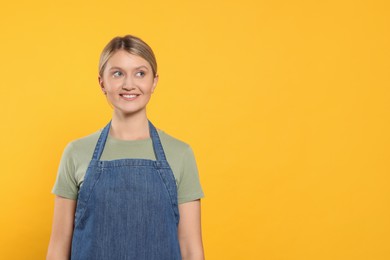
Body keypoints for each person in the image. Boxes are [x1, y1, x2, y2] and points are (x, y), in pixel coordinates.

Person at [46, 35, 205, 260]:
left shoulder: (180, 154)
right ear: (102, 82)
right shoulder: (76, 153)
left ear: (154, 82)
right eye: (118, 73)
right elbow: (58, 246)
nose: (129, 84)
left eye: (140, 73)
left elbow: (190, 247)